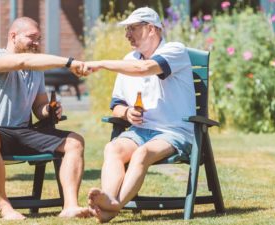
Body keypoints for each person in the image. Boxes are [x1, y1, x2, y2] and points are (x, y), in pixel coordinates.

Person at [83, 7, 196, 223]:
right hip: (141, 130)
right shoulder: (129, 59)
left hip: (174, 131)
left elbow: (144, 68)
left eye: (132, 28)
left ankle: (114, 206)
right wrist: (126, 112)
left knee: (142, 153)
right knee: (113, 148)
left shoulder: (175, 50)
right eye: (126, 30)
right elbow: (116, 105)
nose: (127, 35)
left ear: (151, 29)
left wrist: (101, 64)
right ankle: (108, 199)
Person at [0, 17, 89, 220]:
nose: (36, 42)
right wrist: (68, 62)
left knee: (75, 141)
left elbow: (38, 107)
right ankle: (5, 207)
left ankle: (70, 206)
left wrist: (49, 111)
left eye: (39, 38)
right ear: (13, 36)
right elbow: (22, 61)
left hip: (24, 133)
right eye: (31, 37)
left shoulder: (35, 72)